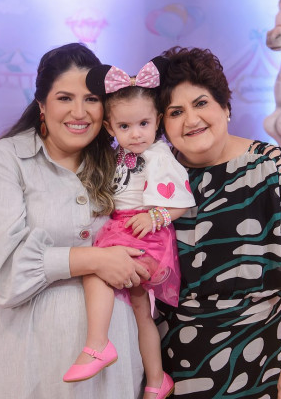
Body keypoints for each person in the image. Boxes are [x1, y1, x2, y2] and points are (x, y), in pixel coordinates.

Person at [0, 43, 149, 399]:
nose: (79, 112)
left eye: (91, 99)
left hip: (114, 360)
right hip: (27, 359)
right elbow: (4, 273)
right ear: (42, 104)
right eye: (65, 98)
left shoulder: (121, 164)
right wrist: (94, 259)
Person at [155, 46, 281, 399]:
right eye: (175, 112)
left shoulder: (272, 168)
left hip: (261, 361)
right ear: (163, 125)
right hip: (173, 365)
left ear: (226, 108)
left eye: (201, 103)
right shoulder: (156, 178)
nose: (191, 120)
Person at [63, 60, 195, 399]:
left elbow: (183, 201)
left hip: (145, 234)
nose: (136, 133)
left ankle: (97, 344)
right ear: (110, 127)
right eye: (125, 126)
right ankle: (156, 380)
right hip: (122, 229)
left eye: (144, 124)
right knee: (141, 312)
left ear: (157, 121)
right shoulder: (116, 156)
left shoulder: (159, 155)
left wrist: (156, 218)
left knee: (96, 271)